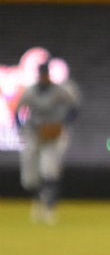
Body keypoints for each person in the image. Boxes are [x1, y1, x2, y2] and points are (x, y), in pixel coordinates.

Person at [14, 61, 81, 225]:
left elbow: (74, 108)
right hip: (34, 133)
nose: (43, 76)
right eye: (41, 73)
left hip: (54, 135)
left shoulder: (59, 91)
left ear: (48, 74)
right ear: (39, 75)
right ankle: (38, 204)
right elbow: (17, 112)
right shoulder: (30, 92)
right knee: (30, 176)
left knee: (49, 170)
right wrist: (21, 129)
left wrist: (62, 123)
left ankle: (49, 208)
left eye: (46, 73)